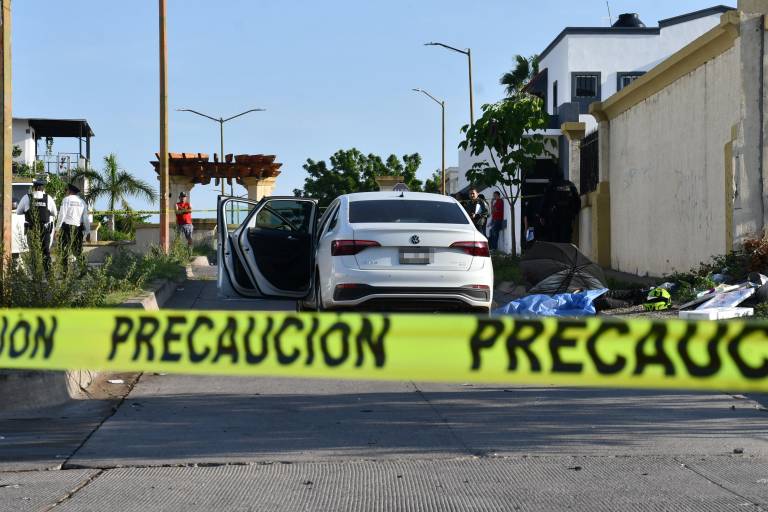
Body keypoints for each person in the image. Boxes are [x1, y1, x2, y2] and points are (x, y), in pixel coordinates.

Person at [16, 179, 58, 272]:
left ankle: (35, 276)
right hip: (45, 230)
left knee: (33, 253)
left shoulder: (27, 197)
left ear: (34, 188)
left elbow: (18, 212)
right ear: (43, 188)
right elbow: (54, 213)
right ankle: (48, 275)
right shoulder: (48, 198)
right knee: (46, 253)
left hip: (31, 229)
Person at [538, 175, 580, 243]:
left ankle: (557, 253)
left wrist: (542, 215)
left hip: (554, 217)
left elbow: (544, 201)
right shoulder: (570, 185)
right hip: (567, 217)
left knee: (555, 239)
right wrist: (574, 213)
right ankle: (565, 252)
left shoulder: (551, 186)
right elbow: (577, 200)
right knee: (566, 238)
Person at [56, 183, 90, 261]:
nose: (66, 192)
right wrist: (88, 232)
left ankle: (64, 272)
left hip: (67, 229)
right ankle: (83, 270)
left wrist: (57, 229)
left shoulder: (66, 200)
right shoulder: (82, 202)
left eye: (66, 190)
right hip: (78, 229)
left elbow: (62, 215)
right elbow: (85, 218)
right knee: (78, 252)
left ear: (70, 191)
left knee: (63, 251)